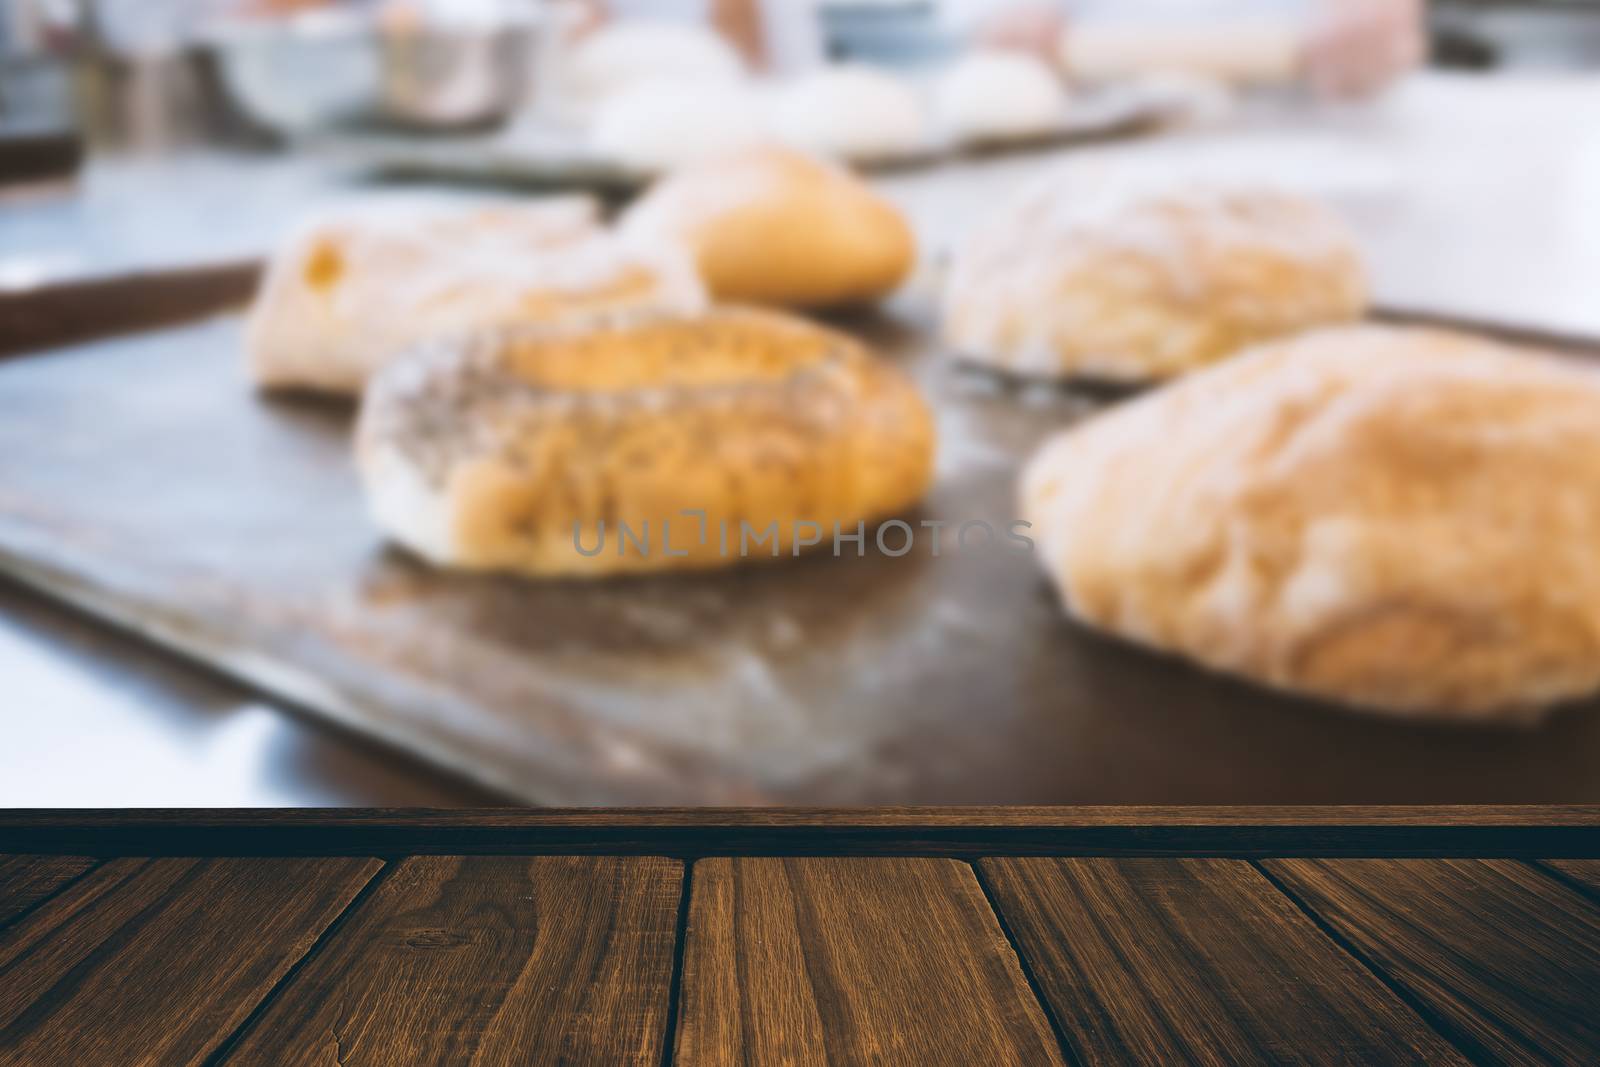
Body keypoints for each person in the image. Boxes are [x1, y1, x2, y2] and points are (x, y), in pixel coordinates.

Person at [956, 0, 1426, 98]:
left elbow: (1392, 27)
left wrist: (1378, 26)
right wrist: (1012, 23)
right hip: (1095, 137)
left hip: (1328, 142)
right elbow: (990, 27)